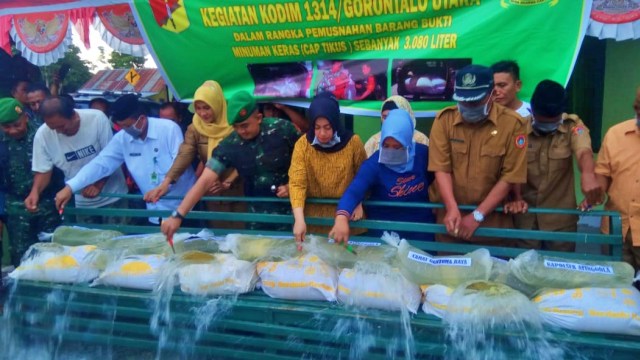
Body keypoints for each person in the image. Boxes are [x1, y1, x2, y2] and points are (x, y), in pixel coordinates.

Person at [160, 91, 299, 238]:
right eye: (236, 127)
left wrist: (293, 186)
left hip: (293, 212)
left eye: (245, 125)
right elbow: (205, 180)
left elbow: (307, 161)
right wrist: (177, 215)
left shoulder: (283, 130)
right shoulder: (231, 145)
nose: (241, 131)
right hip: (257, 215)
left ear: (258, 118)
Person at [54, 94, 196, 225]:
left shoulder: (168, 129)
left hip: (186, 208)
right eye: (121, 126)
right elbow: (101, 163)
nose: (126, 130)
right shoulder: (123, 139)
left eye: (128, 126)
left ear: (141, 118)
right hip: (155, 213)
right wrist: (70, 187)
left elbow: (180, 162)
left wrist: (163, 186)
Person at [428, 64, 527, 246]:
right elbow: (441, 168)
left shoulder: (513, 124)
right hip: (450, 224)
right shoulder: (444, 120)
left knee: (493, 274)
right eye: (463, 101)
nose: (468, 106)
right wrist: (451, 208)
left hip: (493, 228)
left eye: (475, 102)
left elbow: (510, 177)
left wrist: (478, 215)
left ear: (492, 94)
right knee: (448, 273)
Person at [504, 80, 601, 252]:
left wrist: (588, 175)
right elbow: (510, 168)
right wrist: (514, 197)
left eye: (553, 121)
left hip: (561, 222)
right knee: (523, 271)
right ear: (532, 109)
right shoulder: (516, 129)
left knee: (560, 271)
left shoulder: (573, 126)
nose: (547, 125)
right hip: (524, 219)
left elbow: (583, 150)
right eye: (542, 121)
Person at [146, 81, 244, 228]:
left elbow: (245, 156)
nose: (202, 113)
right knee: (219, 240)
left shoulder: (234, 124)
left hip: (239, 191)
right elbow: (184, 155)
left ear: (217, 104)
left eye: (207, 107)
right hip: (211, 193)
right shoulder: (195, 128)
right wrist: (166, 182)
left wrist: (228, 181)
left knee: (241, 237)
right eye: (198, 108)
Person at [329, 109, 435, 244]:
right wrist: (341, 217)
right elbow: (355, 190)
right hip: (385, 233)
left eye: (397, 147)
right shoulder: (374, 163)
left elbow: (437, 177)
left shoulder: (423, 155)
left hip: (420, 231)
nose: (390, 151)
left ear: (408, 142)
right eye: (386, 146)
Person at [26, 96, 128, 225]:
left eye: (62, 126)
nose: (59, 132)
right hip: (81, 201)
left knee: (117, 241)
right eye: (53, 128)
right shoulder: (42, 135)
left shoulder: (97, 119)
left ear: (73, 116)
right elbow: (43, 170)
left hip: (113, 197)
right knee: (87, 243)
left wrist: (98, 184)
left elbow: (110, 158)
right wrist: (35, 192)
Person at [289, 92, 367, 246]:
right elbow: (297, 183)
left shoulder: (353, 143)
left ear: (336, 123)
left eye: (327, 127)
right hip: (313, 220)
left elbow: (364, 178)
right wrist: (299, 219)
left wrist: (359, 202)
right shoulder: (302, 145)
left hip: (348, 217)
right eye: (317, 128)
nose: (322, 133)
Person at [0, 98, 63, 266]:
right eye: (6, 127)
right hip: (16, 204)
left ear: (25, 117)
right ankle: (23, 291)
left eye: (16, 125)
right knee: (21, 255)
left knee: (52, 252)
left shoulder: (43, 133)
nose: (12, 131)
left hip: (48, 202)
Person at [593, 86, 640, 271]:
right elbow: (603, 173)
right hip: (615, 230)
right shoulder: (615, 134)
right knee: (617, 291)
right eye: (637, 107)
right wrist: (595, 194)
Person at [364, 95, 429, 157]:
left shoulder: (421, 140)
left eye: (393, 117)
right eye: (385, 117)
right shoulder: (373, 142)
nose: (388, 121)